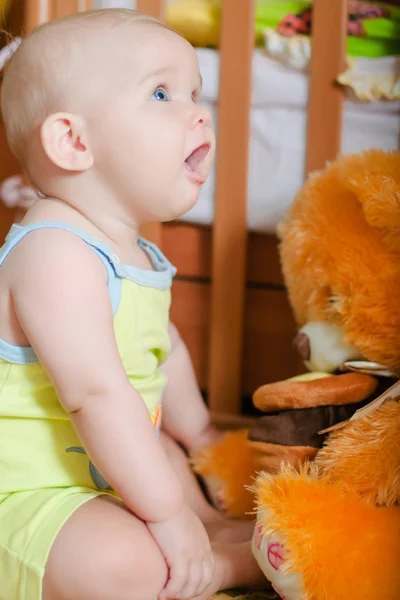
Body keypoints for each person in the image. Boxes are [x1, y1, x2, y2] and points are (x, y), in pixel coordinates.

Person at [0, 9, 265, 600]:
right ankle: (223, 567)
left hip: (105, 473)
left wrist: (199, 438)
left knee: (160, 450)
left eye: (197, 92)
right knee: (121, 563)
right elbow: (95, 393)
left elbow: (161, 349)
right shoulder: (54, 250)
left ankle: (213, 534)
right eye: (163, 93)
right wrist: (168, 517)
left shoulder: (135, 253)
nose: (199, 111)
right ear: (74, 141)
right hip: (26, 495)